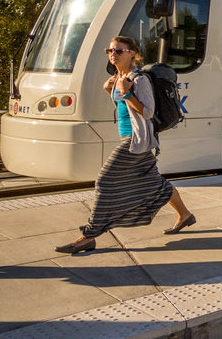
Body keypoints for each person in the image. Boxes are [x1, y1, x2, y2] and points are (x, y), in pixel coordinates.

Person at [55, 37, 195, 254]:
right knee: (154, 183)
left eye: (119, 50)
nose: (113, 53)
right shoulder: (118, 78)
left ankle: (89, 235)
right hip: (129, 138)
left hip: (137, 140)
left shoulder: (139, 79)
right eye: (110, 50)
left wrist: (127, 91)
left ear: (132, 53)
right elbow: (124, 107)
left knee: (104, 180)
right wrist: (109, 89)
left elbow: (147, 111)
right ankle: (185, 215)